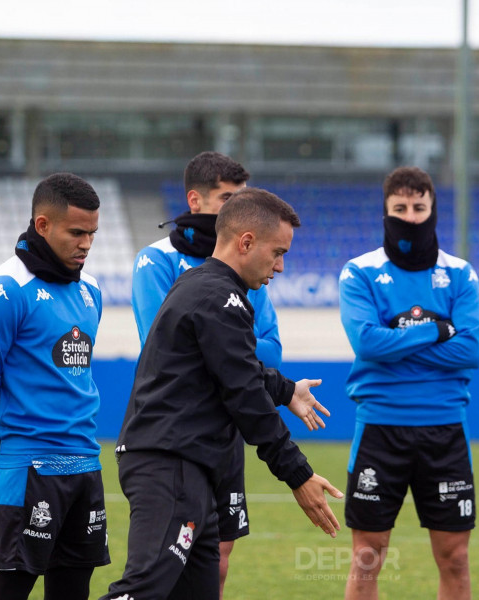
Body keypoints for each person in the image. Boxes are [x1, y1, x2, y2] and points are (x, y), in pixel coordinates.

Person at [101, 187, 343, 600]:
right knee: (141, 591)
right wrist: (298, 475)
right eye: (277, 252)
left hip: (188, 463)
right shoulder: (219, 297)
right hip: (171, 463)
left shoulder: (206, 287)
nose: (281, 266)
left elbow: (227, 371)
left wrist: (285, 390)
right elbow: (245, 396)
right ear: (246, 242)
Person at [131, 152, 279, 597]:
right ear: (195, 199)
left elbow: (270, 347)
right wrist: (231, 348)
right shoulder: (155, 262)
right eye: (227, 198)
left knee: (216, 558)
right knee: (160, 567)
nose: (236, 208)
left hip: (227, 428)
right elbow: (161, 342)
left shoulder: (248, 267)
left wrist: (229, 349)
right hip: (176, 431)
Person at [338, 166, 479, 600]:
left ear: (432, 209)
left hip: (445, 429)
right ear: (385, 211)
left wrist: (395, 341)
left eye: (419, 207)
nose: (411, 215)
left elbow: (471, 351)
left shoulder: (460, 273)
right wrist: (437, 330)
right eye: (400, 207)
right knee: (368, 555)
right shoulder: (359, 271)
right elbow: (366, 342)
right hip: (380, 429)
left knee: (455, 557)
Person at [0, 173, 108, 600]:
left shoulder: (91, 290)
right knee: (11, 586)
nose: (86, 244)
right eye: (76, 232)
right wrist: (10, 428)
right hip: (27, 466)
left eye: (93, 234)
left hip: (84, 461)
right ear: (43, 225)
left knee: (74, 589)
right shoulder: (7, 288)